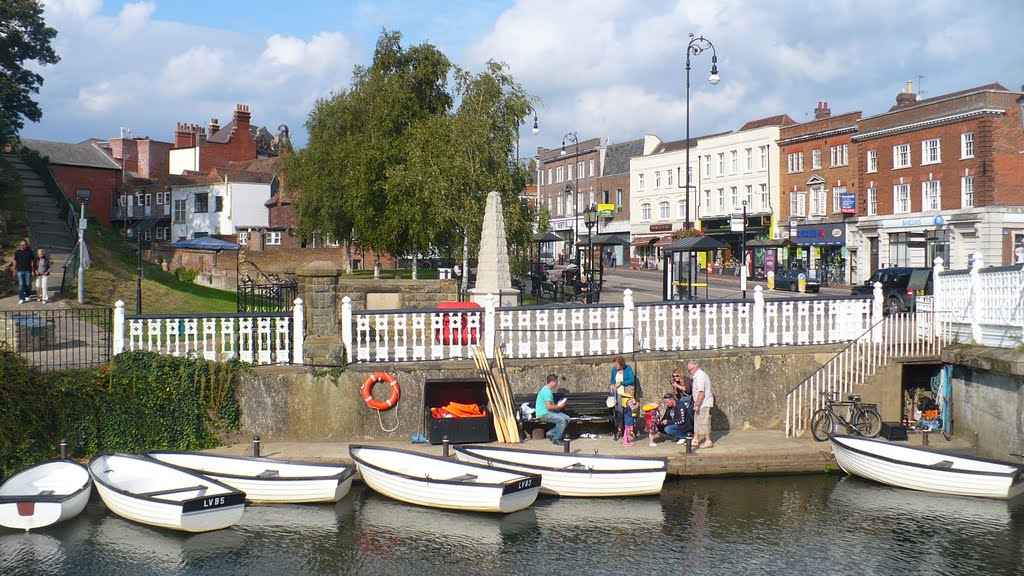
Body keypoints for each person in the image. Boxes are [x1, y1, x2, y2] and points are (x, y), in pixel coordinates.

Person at [535, 373, 570, 445]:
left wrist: (557, 405)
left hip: (549, 412)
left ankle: (551, 433)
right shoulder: (547, 391)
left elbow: (550, 406)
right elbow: (548, 407)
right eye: (556, 382)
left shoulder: (548, 390)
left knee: (567, 418)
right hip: (544, 413)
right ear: (552, 381)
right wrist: (559, 406)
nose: (556, 384)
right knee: (561, 420)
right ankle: (556, 439)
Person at [688, 360, 715, 449]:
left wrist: (697, 405)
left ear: (694, 368)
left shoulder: (700, 376)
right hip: (700, 402)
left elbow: (701, 392)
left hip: (703, 403)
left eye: (690, 370)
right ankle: (695, 439)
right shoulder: (697, 376)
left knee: (704, 422)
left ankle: (708, 441)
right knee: (698, 420)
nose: (689, 372)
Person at [609, 356, 635, 441]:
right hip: (616, 393)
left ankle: (630, 430)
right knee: (619, 411)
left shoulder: (628, 369)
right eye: (615, 365)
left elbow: (631, 380)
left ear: (621, 364)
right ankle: (619, 430)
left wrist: (621, 383)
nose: (615, 366)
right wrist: (612, 384)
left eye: (617, 365)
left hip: (625, 393)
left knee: (627, 412)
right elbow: (612, 379)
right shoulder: (614, 370)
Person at [12, 239, 35, 304]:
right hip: (20, 270)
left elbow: (32, 262)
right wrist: (14, 270)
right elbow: (15, 261)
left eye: (24, 245)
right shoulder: (17, 252)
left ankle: (27, 295)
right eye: (21, 245)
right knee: (21, 285)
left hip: (28, 270)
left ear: (26, 245)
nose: (22, 246)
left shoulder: (29, 251)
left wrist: (33, 271)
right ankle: (21, 298)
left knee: (28, 284)